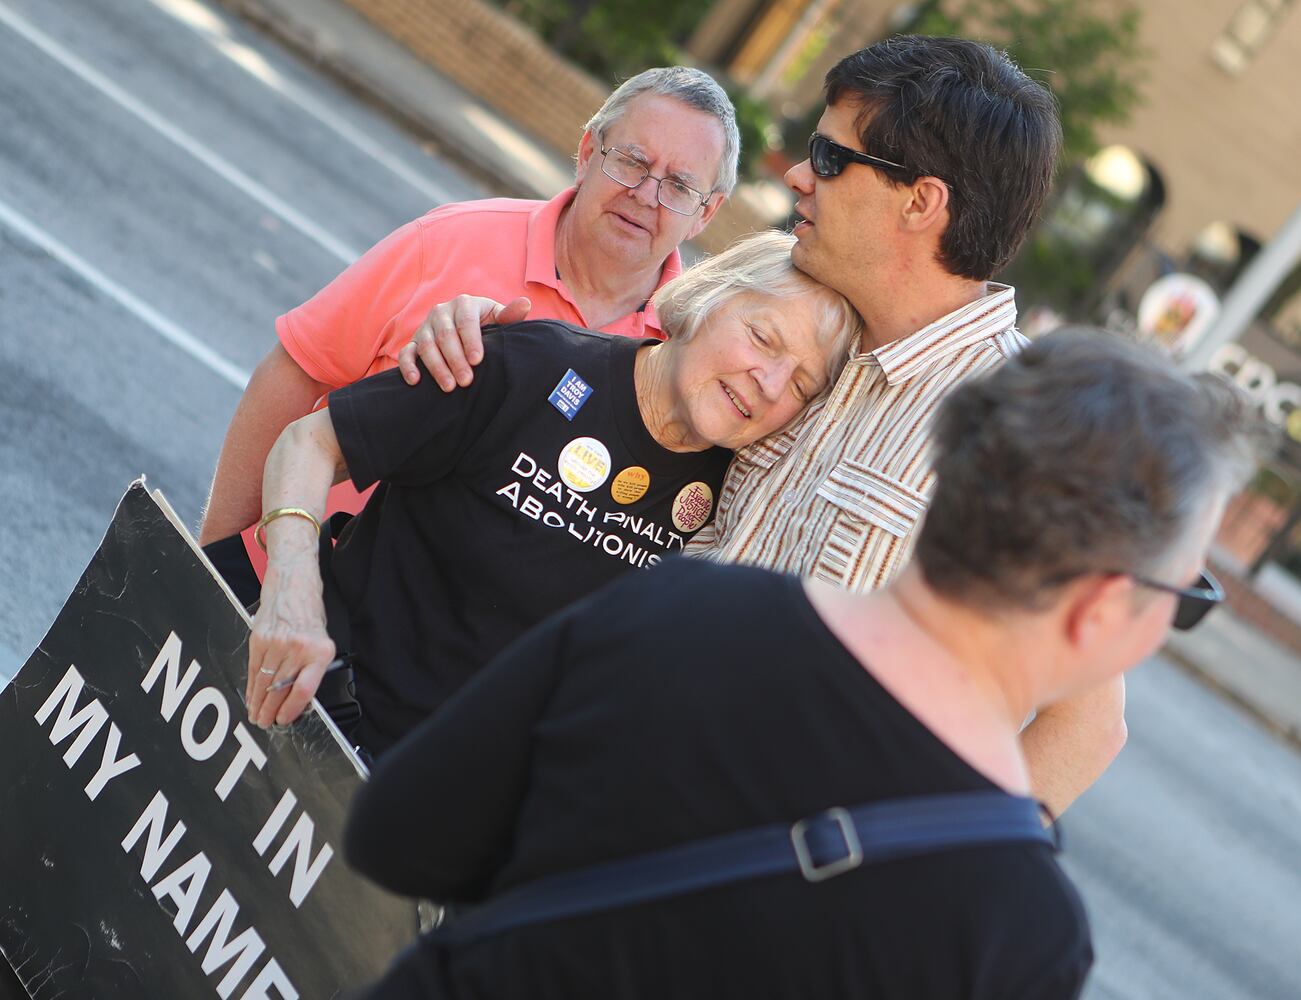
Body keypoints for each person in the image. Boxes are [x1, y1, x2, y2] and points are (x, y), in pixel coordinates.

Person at [344, 329, 1255, 999]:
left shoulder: (678, 607)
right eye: (1185, 596)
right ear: (1102, 608)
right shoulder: (1018, 931)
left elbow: (394, 835)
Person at [392, 37, 1113, 818]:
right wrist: (482, 335)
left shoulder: (1029, 434)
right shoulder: (812, 334)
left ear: (919, 202)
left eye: (830, 158)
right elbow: (638, 377)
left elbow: (1085, 722)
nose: (799, 175)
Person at [244, 232, 860, 757]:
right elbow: (308, 445)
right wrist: (291, 592)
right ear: (710, 300)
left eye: (802, 384)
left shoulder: (738, 507)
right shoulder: (531, 363)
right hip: (317, 711)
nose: (771, 381)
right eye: (763, 338)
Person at [198, 66, 740, 603]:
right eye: (632, 161)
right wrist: (214, 561)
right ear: (586, 154)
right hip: (283, 582)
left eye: (678, 185)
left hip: (433, 671)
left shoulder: (687, 349)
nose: (646, 194)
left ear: (705, 213)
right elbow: (297, 370)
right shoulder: (451, 239)